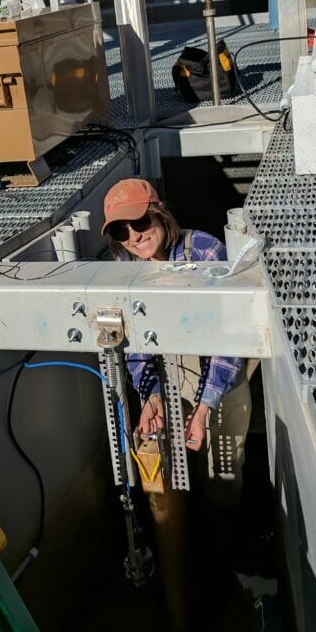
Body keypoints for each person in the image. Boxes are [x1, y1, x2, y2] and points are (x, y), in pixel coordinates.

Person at [102, 177, 249, 463]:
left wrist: (204, 407)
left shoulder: (205, 251)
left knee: (224, 468)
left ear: (161, 213)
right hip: (169, 369)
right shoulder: (125, 267)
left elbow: (229, 335)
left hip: (221, 368)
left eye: (141, 222)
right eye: (122, 230)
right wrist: (153, 395)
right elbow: (135, 342)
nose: (134, 236)